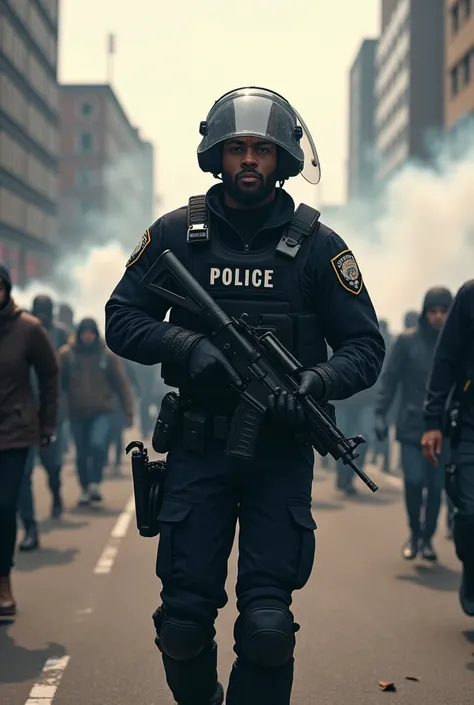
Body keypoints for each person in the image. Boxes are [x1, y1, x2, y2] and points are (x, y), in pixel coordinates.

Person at [105, 86, 385, 705]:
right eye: (238, 149)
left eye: (262, 149)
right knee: (181, 623)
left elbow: (365, 347)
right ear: (217, 155)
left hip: (280, 457)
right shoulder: (177, 235)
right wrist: (185, 347)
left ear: (282, 157)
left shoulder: (320, 247)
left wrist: (318, 381)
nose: (250, 160)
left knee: (266, 629)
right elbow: (120, 320)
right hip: (198, 451)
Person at [374, 287, 453, 561]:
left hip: (445, 429)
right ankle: (415, 533)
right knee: (414, 481)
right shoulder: (407, 341)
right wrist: (380, 414)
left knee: (435, 488)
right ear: (425, 312)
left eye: (444, 312)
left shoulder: (458, 341)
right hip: (411, 426)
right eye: (433, 311)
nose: (438, 317)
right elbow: (391, 379)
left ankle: (428, 537)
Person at [0, 265, 59, 618]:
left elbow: (50, 373)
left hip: (15, 430)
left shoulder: (28, 329)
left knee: (5, 506)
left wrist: (46, 422)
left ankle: (3, 579)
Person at [422, 280, 474, 617]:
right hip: (470, 426)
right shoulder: (470, 296)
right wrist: (432, 422)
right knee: (469, 513)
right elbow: (445, 361)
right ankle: (472, 567)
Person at [59, 318, 134, 505]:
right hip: (77, 412)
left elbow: (121, 385)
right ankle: (85, 487)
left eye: (91, 332)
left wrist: (128, 410)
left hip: (102, 411)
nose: (87, 336)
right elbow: (57, 385)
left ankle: (95, 482)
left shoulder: (106, 356)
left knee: (98, 444)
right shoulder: (67, 356)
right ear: (78, 334)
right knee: (82, 452)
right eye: (84, 333)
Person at [18, 296, 70, 551]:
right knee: (22, 474)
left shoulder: (59, 334)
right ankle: (29, 526)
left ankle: (57, 493)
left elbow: (61, 373)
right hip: (20, 414)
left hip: (50, 411)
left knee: (51, 464)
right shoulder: (21, 330)